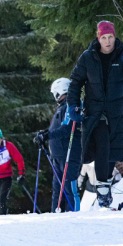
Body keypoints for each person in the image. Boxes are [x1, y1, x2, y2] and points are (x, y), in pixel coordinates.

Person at [67, 20, 123, 207]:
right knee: (102, 144)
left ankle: (105, 189)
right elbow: (75, 83)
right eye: (104, 37)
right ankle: (103, 191)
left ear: (115, 36)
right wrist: (72, 105)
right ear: (98, 38)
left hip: (118, 114)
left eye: (110, 37)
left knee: (111, 154)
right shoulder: (87, 58)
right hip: (95, 113)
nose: (107, 41)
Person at [33, 78, 82, 212]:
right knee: (57, 190)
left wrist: (48, 135)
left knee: (70, 189)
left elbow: (66, 129)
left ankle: (75, 215)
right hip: (59, 155)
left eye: (55, 93)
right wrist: (45, 134)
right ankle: (56, 216)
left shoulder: (70, 105)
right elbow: (57, 128)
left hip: (69, 154)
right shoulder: (62, 107)